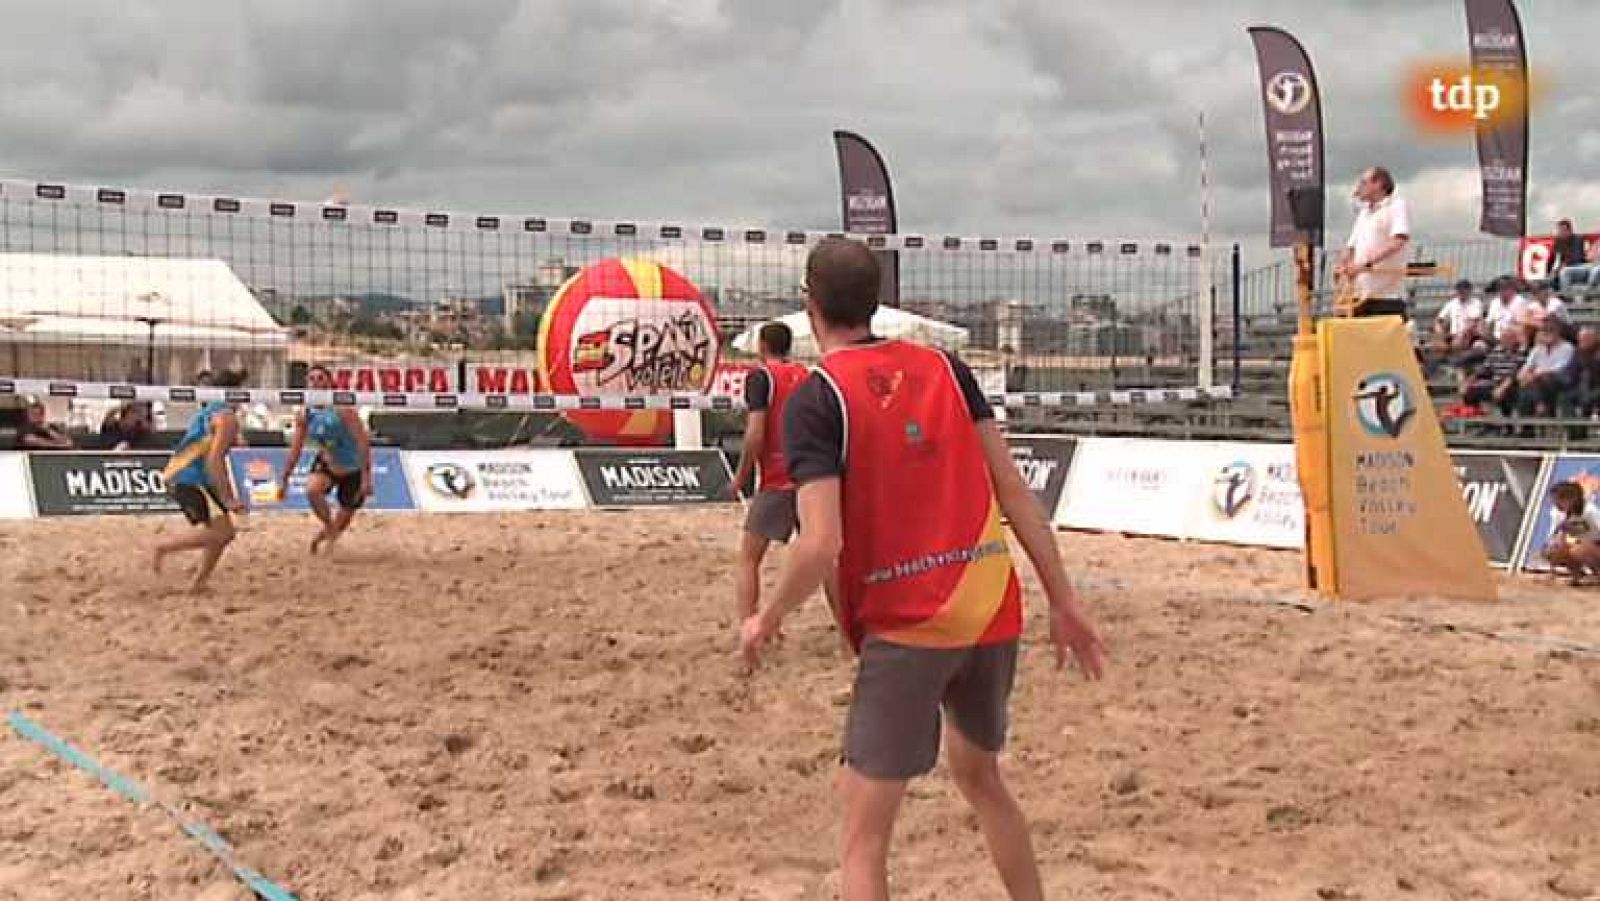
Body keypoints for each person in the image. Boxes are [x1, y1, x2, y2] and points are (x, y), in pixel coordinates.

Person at [738, 237, 1106, 901]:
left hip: (909, 625)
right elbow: (1015, 491)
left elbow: (820, 543)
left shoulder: (820, 399)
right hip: (990, 607)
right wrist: (1065, 599)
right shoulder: (947, 367)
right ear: (876, 301)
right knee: (981, 777)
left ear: (809, 305)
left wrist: (767, 615)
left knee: (862, 838)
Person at [730, 322, 815, 624]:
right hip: (811, 480)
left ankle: (749, 637)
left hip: (777, 479)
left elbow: (755, 435)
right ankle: (847, 638)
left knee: (748, 560)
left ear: (762, 346)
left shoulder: (761, 377)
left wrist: (741, 476)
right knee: (825, 562)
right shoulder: (807, 376)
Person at [153, 369, 248, 594]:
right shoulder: (226, 418)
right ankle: (163, 549)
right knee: (221, 533)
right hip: (190, 478)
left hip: (186, 474)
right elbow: (215, 460)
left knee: (224, 532)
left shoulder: (209, 412)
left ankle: (199, 583)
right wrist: (228, 497)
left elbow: (212, 454)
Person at [280, 365, 374, 553]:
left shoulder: (343, 409)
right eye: (311, 379)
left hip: (353, 469)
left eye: (320, 378)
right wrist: (284, 479)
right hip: (328, 464)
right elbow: (295, 449)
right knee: (312, 490)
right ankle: (329, 528)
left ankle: (320, 539)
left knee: (344, 518)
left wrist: (366, 478)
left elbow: (363, 443)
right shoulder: (305, 414)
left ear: (329, 382)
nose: (315, 382)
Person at [1336, 166, 1412, 319]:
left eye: (1363, 183)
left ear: (1378, 184)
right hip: (1359, 295)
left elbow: (1398, 240)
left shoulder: (1396, 206)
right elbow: (1351, 246)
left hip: (1385, 296)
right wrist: (1343, 266)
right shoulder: (1364, 213)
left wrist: (1364, 264)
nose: (1359, 188)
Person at [1541, 481, 1600, 585]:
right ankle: (1576, 575)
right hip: (1581, 544)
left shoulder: (1590, 511)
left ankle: (1598, 575)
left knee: (1579, 549)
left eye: (1559, 500)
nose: (1555, 503)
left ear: (1571, 499)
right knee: (1551, 549)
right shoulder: (1557, 513)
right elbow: (1554, 538)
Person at [1462, 326, 1526, 416]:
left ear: (1515, 339)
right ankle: (1481, 420)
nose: (1505, 340)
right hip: (1495, 383)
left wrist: (1502, 387)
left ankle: (1508, 425)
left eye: (1508, 337)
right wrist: (1469, 381)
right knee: (1470, 392)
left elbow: (1516, 373)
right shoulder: (1496, 351)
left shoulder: (1521, 353)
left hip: (1513, 385)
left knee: (1506, 394)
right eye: (1503, 337)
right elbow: (1484, 369)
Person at [1517, 319, 1576, 416]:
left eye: (1550, 330)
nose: (1546, 333)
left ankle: (1540, 404)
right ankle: (1527, 426)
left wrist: (1535, 374)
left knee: (1543, 378)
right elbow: (1527, 366)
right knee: (1524, 391)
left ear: (1557, 332)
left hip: (1560, 381)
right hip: (1537, 382)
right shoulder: (1538, 348)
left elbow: (1560, 368)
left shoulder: (1567, 348)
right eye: (1544, 331)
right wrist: (1522, 375)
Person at [1553, 220, 1599, 293]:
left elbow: (1576, 258)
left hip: (1580, 265)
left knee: (1596, 270)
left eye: (1564, 230)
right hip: (1588, 266)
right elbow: (1555, 257)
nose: (1561, 233)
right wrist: (1556, 268)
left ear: (1570, 230)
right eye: (1560, 231)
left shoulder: (1578, 239)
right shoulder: (1558, 241)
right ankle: (1565, 296)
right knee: (1560, 274)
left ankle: (1587, 292)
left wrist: (1564, 265)